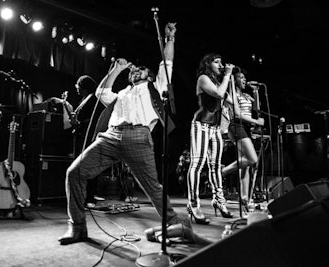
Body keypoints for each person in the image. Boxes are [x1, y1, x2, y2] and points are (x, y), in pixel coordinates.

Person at [58, 22, 194, 245]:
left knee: (152, 187)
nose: (134, 71)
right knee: (74, 172)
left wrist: (170, 39)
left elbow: (166, 63)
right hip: (110, 136)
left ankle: (175, 224)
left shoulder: (155, 87)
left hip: (138, 137)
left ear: (149, 75)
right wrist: (117, 70)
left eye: (139, 70)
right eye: (133, 70)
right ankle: (77, 228)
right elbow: (101, 92)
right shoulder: (122, 92)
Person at [186, 53, 234, 225]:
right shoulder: (203, 78)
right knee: (197, 163)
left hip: (215, 128)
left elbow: (231, 100)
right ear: (207, 64)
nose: (221, 64)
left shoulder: (218, 81)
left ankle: (219, 200)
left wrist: (230, 80)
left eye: (221, 62)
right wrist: (228, 75)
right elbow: (220, 95)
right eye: (216, 62)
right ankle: (193, 204)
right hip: (201, 124)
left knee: (215, 166)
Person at [221, 68, 264, 208]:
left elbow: (257, 109)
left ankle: (245, 198)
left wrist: (256, 91)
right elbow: (237, 115)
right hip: (236, 126)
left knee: (244, 167)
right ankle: (223, 172)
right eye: (241, 77)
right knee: (252, 159)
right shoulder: (231, 94)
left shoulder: (246, 95)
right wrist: (255, 122)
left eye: (245, 78)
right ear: (235, 80)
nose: (244, 80)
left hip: (245, 127)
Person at [71, 75, 105, 208]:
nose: (77, 90)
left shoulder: (94, 99)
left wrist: (78, 122)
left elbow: (95, 120)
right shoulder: (84, 99)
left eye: (79, 87)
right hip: (81, 136)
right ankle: (81, 196)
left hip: (89, 137)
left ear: (84, 88)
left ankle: (89, 197)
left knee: (88, 166)